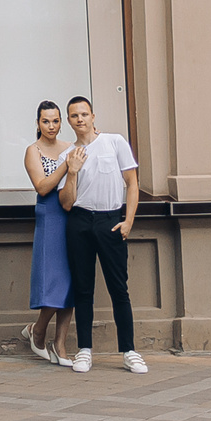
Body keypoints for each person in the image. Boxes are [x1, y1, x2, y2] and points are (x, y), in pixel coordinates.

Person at [58, 94, 148, 375]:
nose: (80, 119)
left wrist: (128, 221)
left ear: (93, 116)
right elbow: (66, 202)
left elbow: (132, 183)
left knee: (119, 288)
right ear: (69, 122)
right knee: (83, 289)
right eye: (74, 116)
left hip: (111, 220)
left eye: (84, 114)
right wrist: (72, 172)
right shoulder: (67, 155)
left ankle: (129, 351)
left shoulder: (114, 142)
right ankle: (84, 350)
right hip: (80, 222)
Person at [21, 101, 73, 364]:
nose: (51, 126)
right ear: (38, 123)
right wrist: (67, 165)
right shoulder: (34, 151)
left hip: (73, 215)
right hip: (50, 217)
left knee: (73, 281)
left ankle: (60, 345)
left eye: (55, 121)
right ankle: (38, 330)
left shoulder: (70, 148)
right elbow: (42, 187)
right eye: (45, 121)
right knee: (54, 281)